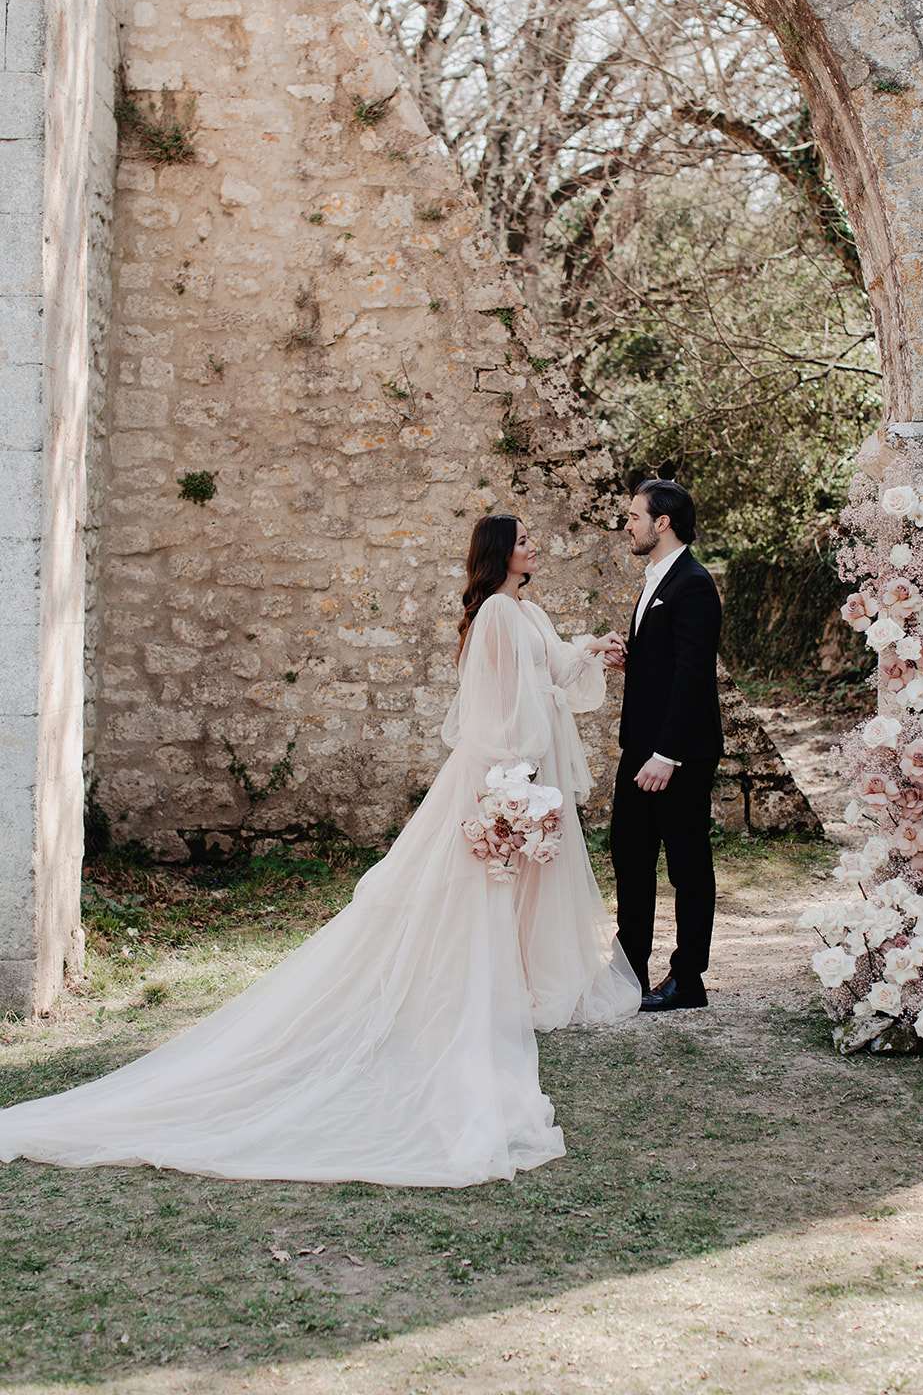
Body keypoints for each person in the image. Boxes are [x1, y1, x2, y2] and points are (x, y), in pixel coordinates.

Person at [0, 515, 640, 1188]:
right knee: (470, 891)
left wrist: (591, 650)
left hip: (508, 773)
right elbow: (498, 709)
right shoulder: (499, 616)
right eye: (523, 539)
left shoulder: (522, 610)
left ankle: (501, 988)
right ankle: (459, 998)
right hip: (496, 775)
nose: (533, 545)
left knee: (486, 890)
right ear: (499, 554)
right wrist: (512, 780)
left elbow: (547, 672)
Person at [607, 480, 723, 1012]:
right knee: (629, 858)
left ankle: (687, 980)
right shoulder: (656, 578)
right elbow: (667, 661)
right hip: (641, 747)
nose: (627, 524)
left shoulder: (693, 584)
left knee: (686, 866)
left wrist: (667, 755)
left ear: (664, 523)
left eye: (634, 516)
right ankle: (629, 971)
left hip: (678, 755)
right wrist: (631, 658)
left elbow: (694, 675)